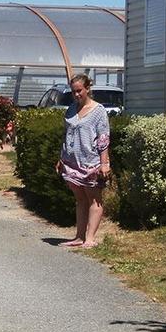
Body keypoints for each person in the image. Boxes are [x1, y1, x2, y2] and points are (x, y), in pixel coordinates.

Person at [55, 74, 111, 248]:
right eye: (74, 92)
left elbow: (103, 138)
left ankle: (90, 238)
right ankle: (79, 236)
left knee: (94, 198)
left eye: (79, 90)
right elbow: (65, 135)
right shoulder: (71, 110)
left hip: (91, 161)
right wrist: (61, 158)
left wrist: (104, 163)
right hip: (72, 161)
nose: (77, 94)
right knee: (80, 199)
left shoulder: (98, 111)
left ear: (87, 89)